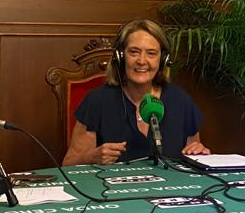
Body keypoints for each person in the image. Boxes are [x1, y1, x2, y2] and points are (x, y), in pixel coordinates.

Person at [63, 19, 210, 165]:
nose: (142, 61)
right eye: (134, 52)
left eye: (151, 53)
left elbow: (192, 154)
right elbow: (68, 165)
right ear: (120, 57)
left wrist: (198, 153)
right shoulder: (97, 101)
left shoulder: (180, 100)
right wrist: (91, 158)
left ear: (163, 60)